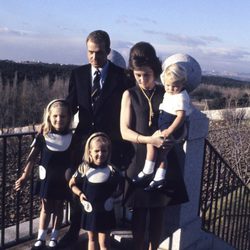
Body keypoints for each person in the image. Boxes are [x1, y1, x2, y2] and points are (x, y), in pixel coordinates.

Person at [59, 30, 134, 247]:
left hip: (110, 146)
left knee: (105, 191)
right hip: (83, 144)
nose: (94, 57)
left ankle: (103, 237)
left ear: (108, 52)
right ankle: (74, 230)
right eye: (90, 52)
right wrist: (51, 122)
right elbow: (70, 105)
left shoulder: (122, 77)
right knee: (80, 188)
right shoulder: (78, 74)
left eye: (99, 53)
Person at [120, 42, 189, 250]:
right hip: (140, 160)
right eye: (137, 75)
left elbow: (183, 125)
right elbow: (124, 131)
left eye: (146, 75)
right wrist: (150, 140)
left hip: (164, 161)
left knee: (159, 215)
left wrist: (173, 139)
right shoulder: (129, 95)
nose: (142, 80)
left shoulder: (169, 91)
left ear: (156, 71)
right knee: (139, 216)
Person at [14, 99, 73, 250]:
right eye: (55, 116)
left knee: (59, 207)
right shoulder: (42, 136)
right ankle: (40, 238)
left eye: (62, 116)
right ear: (49, 117)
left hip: (63, 180)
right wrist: (24, 176)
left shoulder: (72, 138)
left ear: (68, 118)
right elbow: (32, 158)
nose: (59, 119)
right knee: (45, 208)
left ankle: (54, 237)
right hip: (46, 178)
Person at [133, 63, 192, 191]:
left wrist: (170, 131)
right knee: (159, 153)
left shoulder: (181, 97)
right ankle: (158, 178)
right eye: (167, 85)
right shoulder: (170, 92)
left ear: (182, 84)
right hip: (165, 125)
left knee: (157, 149)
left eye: (175, 86)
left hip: (170, 128)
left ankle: (148, 171)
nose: (170, 88)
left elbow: (181, 116)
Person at [69, 132, 123, 250]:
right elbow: (72, 183)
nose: (100, 154)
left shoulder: (112, 170)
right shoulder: (84, 168)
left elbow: (121, 186)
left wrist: (115, 196)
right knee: (92, 240)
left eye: (104, 151)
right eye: (97, 151)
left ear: (108, 152)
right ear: (90, 152)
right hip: (91, 211)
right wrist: (80, 194)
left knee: (104, 243)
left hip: (105, 211)